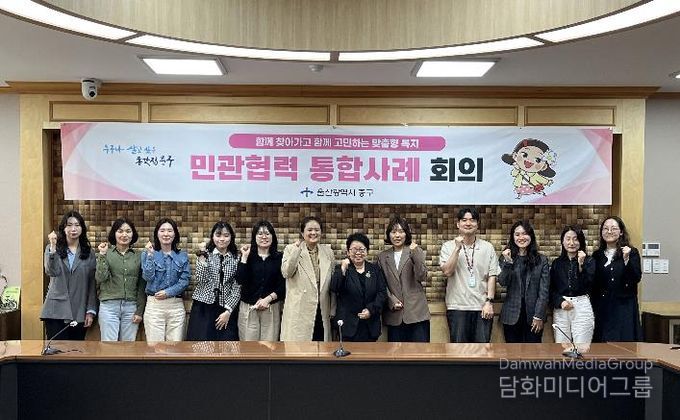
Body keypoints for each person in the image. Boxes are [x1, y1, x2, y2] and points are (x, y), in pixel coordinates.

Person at [439, 207, 499, 343]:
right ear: (458, 224)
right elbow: (447, 271)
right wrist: (457, 249)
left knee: (482, 350)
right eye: (464, 220)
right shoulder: (448, 246)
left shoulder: (487, 247)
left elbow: (492, 276)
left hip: (482, 307)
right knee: (459, 351)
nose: (468, 223)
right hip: (457, 307)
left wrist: (489, 302)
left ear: (477, 224)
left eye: (472, 220)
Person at [41, 210, 97, 340]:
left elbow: (92, 283)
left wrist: (90, 310)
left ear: (82, 228)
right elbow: (51, 271)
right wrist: (53, 248)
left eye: (77, 225)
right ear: (63, 228)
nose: (73, 229)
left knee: (75, 350)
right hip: (55, 310)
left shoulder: (89, 253)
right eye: (69, 225)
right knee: (56, 349)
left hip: (79, 310)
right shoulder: (52, 248)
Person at [280, 216, 335, 342]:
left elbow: (332, 281)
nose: (313, 233)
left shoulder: (328, 252)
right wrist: (296, 251)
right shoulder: (291, 249)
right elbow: (286, 273)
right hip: (300, 310)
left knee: (321, 346)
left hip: (322, 309)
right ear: (302, 233)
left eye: (317, 230)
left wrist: (333, 308)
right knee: (300, 349)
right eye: (309, 230)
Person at [377, 216, 430, 342]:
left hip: (416, 313)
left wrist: (416, 253)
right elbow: (380, 284)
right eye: (393, 232)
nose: (397, 235)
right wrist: (391, 300)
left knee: (420, 351)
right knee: (396, 353)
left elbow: (422, 276)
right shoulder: (382, 257)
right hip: (394, 314)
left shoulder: (415, 251)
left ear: (406, 234)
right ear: (389, 235)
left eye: (401, 231)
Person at [187, 221, 241, 341]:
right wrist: (202, 255)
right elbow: (201, 279)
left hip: (226, 307)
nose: (222, 239)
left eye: (226, 235)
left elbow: (237, 287)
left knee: (227, 346)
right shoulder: (205, 254)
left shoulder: (236, 258)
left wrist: (228, 311)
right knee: (201, 346)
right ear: (212, 237)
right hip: (203, 307)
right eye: (218, 235)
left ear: (231, 237)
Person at [498, 220, 550, 343]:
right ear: (513, 237)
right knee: (512, 352)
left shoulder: (541, 260)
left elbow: (544, 291)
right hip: (511, 315)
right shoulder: (505, 257)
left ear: (531, 236)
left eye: (525, 233)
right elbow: (503, 282)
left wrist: (539, 315)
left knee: (533, 352)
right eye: (517, 234)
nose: (521, 237)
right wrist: (508, 262)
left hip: (534, 314)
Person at [592, 216, 643, 342]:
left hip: (624, 306)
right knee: (603, 343)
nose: (609, 231)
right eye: (605, 228)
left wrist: (626, 260)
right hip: (603, 306)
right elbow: (594, 283)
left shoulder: (631, 252)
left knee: (624, 342)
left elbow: (636, 278)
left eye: (613, 228)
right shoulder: (597, 255)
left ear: (621, 232)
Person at [95, 217, 145, 341]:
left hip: (131, 307)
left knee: (128, 347)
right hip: (109, 306)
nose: (124, 235)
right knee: (109, 346)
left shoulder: (139, 256)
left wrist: (139, 310)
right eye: (120, 231)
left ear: (133, 234)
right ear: (114, 233)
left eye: (128, 231)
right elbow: (100, 277)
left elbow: (142, 285)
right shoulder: (106, 253)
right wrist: (102, 255)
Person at [330, 233, 387, 342]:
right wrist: (343, 269)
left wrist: (371, 310)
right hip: (348, 326)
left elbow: (382, 293)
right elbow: (334, 288)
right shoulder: (341, 269)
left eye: (361, 249)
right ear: (348, 252)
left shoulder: (375, 270)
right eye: (354, 249)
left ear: (367, 251)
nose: (358, 253)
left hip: (370, 325)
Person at [235, 220, 285, 341]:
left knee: (269, 346)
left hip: (271, 307)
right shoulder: (247, 256)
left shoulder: (280, 257)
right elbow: (240, 280)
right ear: (254, 237)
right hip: (249, 308)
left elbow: (283, 285)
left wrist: (268, 299)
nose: (264, 237)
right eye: (260, 234)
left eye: (267, 233)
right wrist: (244, 257)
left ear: (273, 236)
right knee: (248, 346)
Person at [142, 218, 190, 341]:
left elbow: (185, 281)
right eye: (162, 230)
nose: (166, 234)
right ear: (157, 233)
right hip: (154, 306)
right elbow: (147, 277)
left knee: (175, 347)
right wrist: (150, 255)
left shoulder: (182, 256)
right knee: (155, 348)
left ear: (175, 234)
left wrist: (168, 292)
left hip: (176, 306)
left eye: (169, 230)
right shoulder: (147, 253)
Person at [549, 225, 595, 345]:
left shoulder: (589, 261)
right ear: (562, 241)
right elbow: (551, 288)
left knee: (581, 347)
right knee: (562, 346)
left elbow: (587, 285)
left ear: (581, 241)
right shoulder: (557, 263)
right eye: (568, 239)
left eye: (575, 239)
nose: (571, 243)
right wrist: (560, 302)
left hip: (582, 306)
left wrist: (580, 265)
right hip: (562, 307)